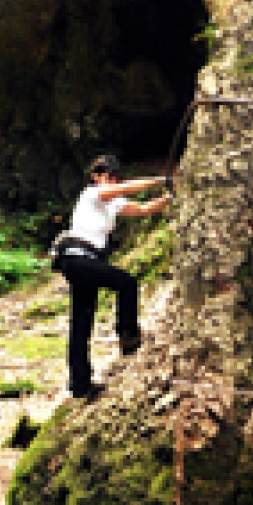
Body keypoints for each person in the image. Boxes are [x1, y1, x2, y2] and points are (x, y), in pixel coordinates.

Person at [58, 154, 172, 401]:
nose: (113, 183)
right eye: (108, 177)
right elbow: (126, 189)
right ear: (96, 177)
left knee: (81, 324)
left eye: (115, 178)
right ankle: (128, 335)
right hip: (77, 259)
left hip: (88, 261)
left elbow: (143, 209)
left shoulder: (112, 203)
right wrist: (158, 179)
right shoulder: (91, 194)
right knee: (126, 282)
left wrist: (169, 198)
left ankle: (80, 385)